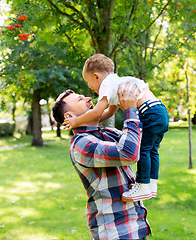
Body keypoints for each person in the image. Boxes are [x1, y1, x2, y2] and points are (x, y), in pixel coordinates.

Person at [63, 54, 169, 202]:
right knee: (151, 150)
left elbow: (97, 111)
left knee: (145, 149)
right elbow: (110, 112)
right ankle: (152, 184)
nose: (89, 87)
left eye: (88, 81)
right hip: (158, 110)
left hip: (149, 113)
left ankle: (143, 184)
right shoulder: (116, 83)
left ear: (96, 76)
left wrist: (77, 121)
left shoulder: (106, 86)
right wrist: (90, 121)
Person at [52, 83, 150, 240]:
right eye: (80, 99)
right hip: (115, 231)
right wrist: (130, 111)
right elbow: (128, 153)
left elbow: (142, 144)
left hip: (135, 225)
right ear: (69, 116)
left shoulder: (107, 132)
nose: (89, 98)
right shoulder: (81, 144)